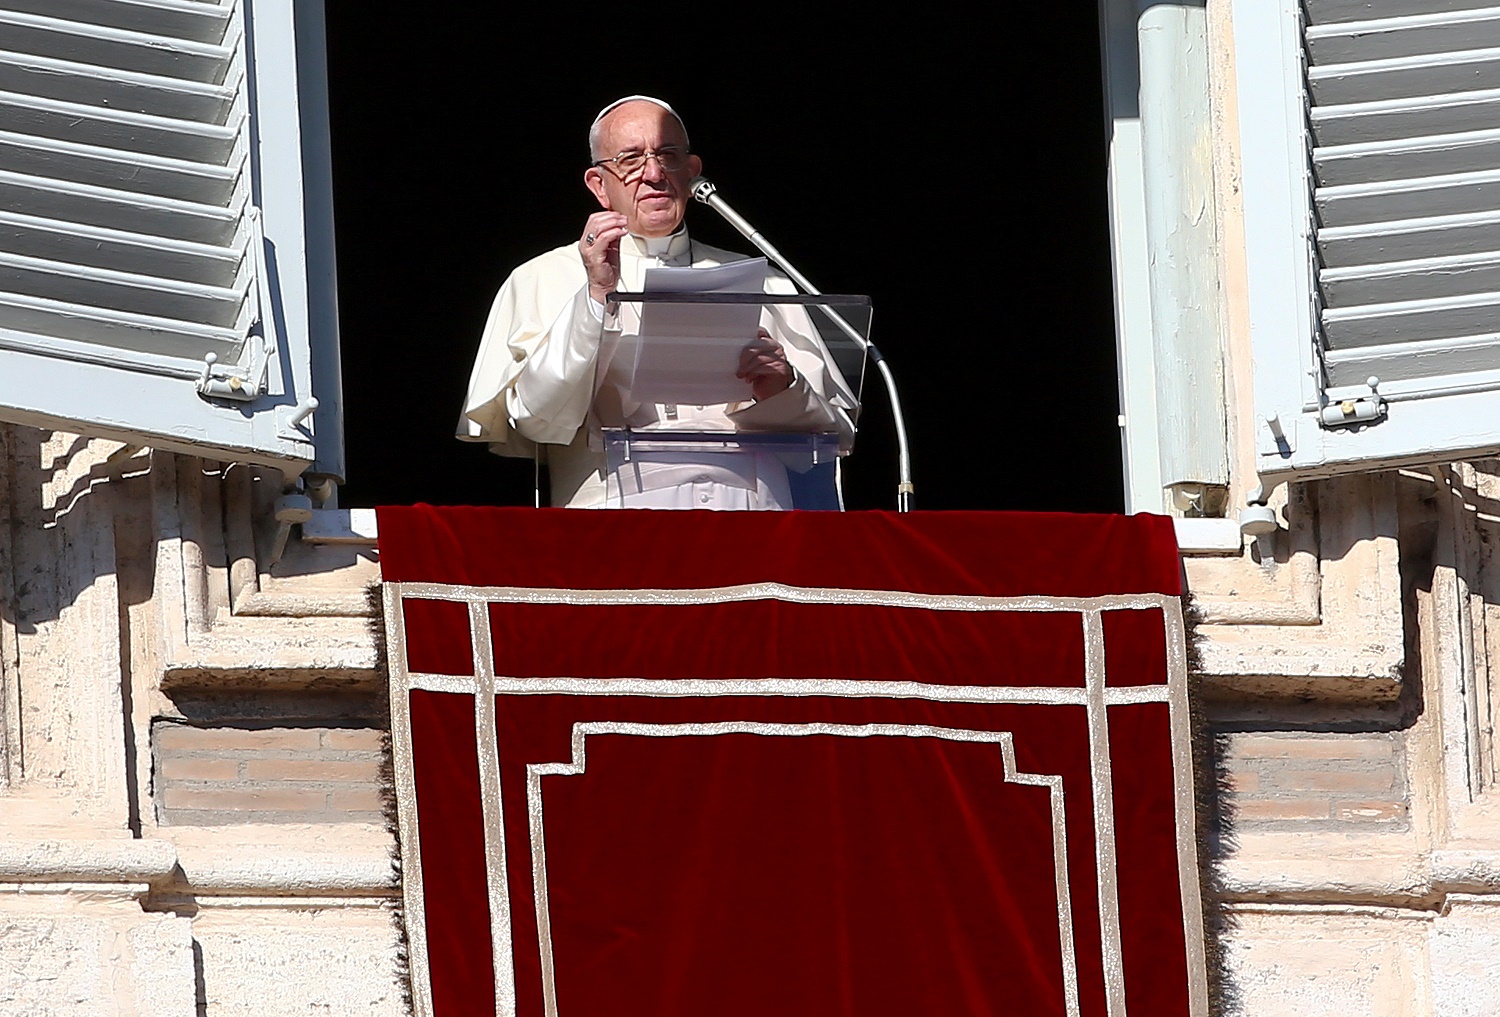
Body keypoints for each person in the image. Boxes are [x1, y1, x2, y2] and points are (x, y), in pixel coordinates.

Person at [456, 95, 856, 509]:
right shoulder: (541, 277)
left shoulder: (765, 282)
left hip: (755, 519)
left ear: (691, 171)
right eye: (630, 159)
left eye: (667, 155)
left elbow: (833, 436)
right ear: (598, 185)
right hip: (616, 522)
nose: (653, 174)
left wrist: (782, 390)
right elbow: (537, 419)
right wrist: (595, 297)